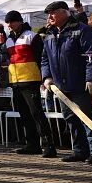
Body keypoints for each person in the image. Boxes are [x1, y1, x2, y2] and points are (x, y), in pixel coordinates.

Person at [41, 0, 92, 165]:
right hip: (60, 86)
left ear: (64, 12)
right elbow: (45, 58)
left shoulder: (82, 30)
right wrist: (47, 76)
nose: (50, 17)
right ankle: (79, 151)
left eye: (53, 13)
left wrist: (91, 78)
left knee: (86, 118)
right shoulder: (50, 34)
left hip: (79, 83)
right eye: (49, 14)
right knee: (70, 119)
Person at [4, 11, 56, 158]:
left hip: (31, 79)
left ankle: (49, 145)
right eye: (8, 22)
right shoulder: (8, 40)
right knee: (24, 114)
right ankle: (32, 144)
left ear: (20, 21)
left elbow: (41, 58)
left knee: (37, 113)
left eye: (13, 21)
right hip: (15, 81)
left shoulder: (32, 36)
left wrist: (42, 79)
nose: (10, 24)